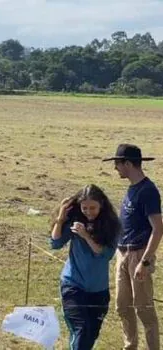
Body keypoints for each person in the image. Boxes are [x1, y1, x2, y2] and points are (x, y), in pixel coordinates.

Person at [103, 144, 163, 350]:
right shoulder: (131, 188)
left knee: (144, 309)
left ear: (128, 163)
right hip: (123, 253)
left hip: (139, 254)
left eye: (117, 164)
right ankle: (130, 346)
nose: (115, 169)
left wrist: (145, 262)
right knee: (122, 306)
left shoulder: (148, 191)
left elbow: (157, 229)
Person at [50, 184, 121, 350]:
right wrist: (61, 220)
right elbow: (55, 243)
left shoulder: (112, 225)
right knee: (81, 331)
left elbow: (105, 255)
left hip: (99, 290)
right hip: (73, 286)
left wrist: (86, 236)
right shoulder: (76, 221)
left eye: (93, 208)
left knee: (91, 335)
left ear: (101, 205)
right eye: (84, 208)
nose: (88, 212)